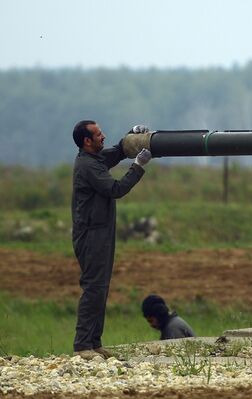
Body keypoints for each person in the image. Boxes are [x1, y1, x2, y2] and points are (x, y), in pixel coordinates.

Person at [71, 120, 152, 360]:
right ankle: (82, 346)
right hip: (91, 235)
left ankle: (94, 343)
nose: (103, 136)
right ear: (87, 141)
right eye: (98, 134)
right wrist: (137, 166)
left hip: (101, 232)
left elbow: (115, 153)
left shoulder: (94, 159)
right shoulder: (88, 166)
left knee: (100, 289)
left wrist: (130, 138)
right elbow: (116, 189)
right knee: (93, 288)